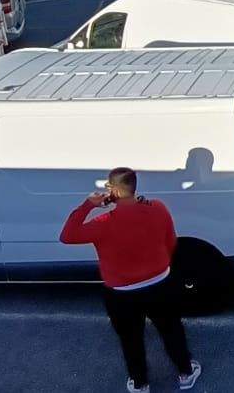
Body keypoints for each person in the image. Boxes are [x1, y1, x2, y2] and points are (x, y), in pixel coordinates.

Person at [60, 167, 203, 393]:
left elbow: (67, 235)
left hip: (121, 294)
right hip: (160, 284)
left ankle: (140, 383)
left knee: (131, 340)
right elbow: (172, 242)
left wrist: (89, 205)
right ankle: (186, 373)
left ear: (113, 190)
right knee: (172, 331)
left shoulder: (103, 223)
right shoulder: (158, 208)